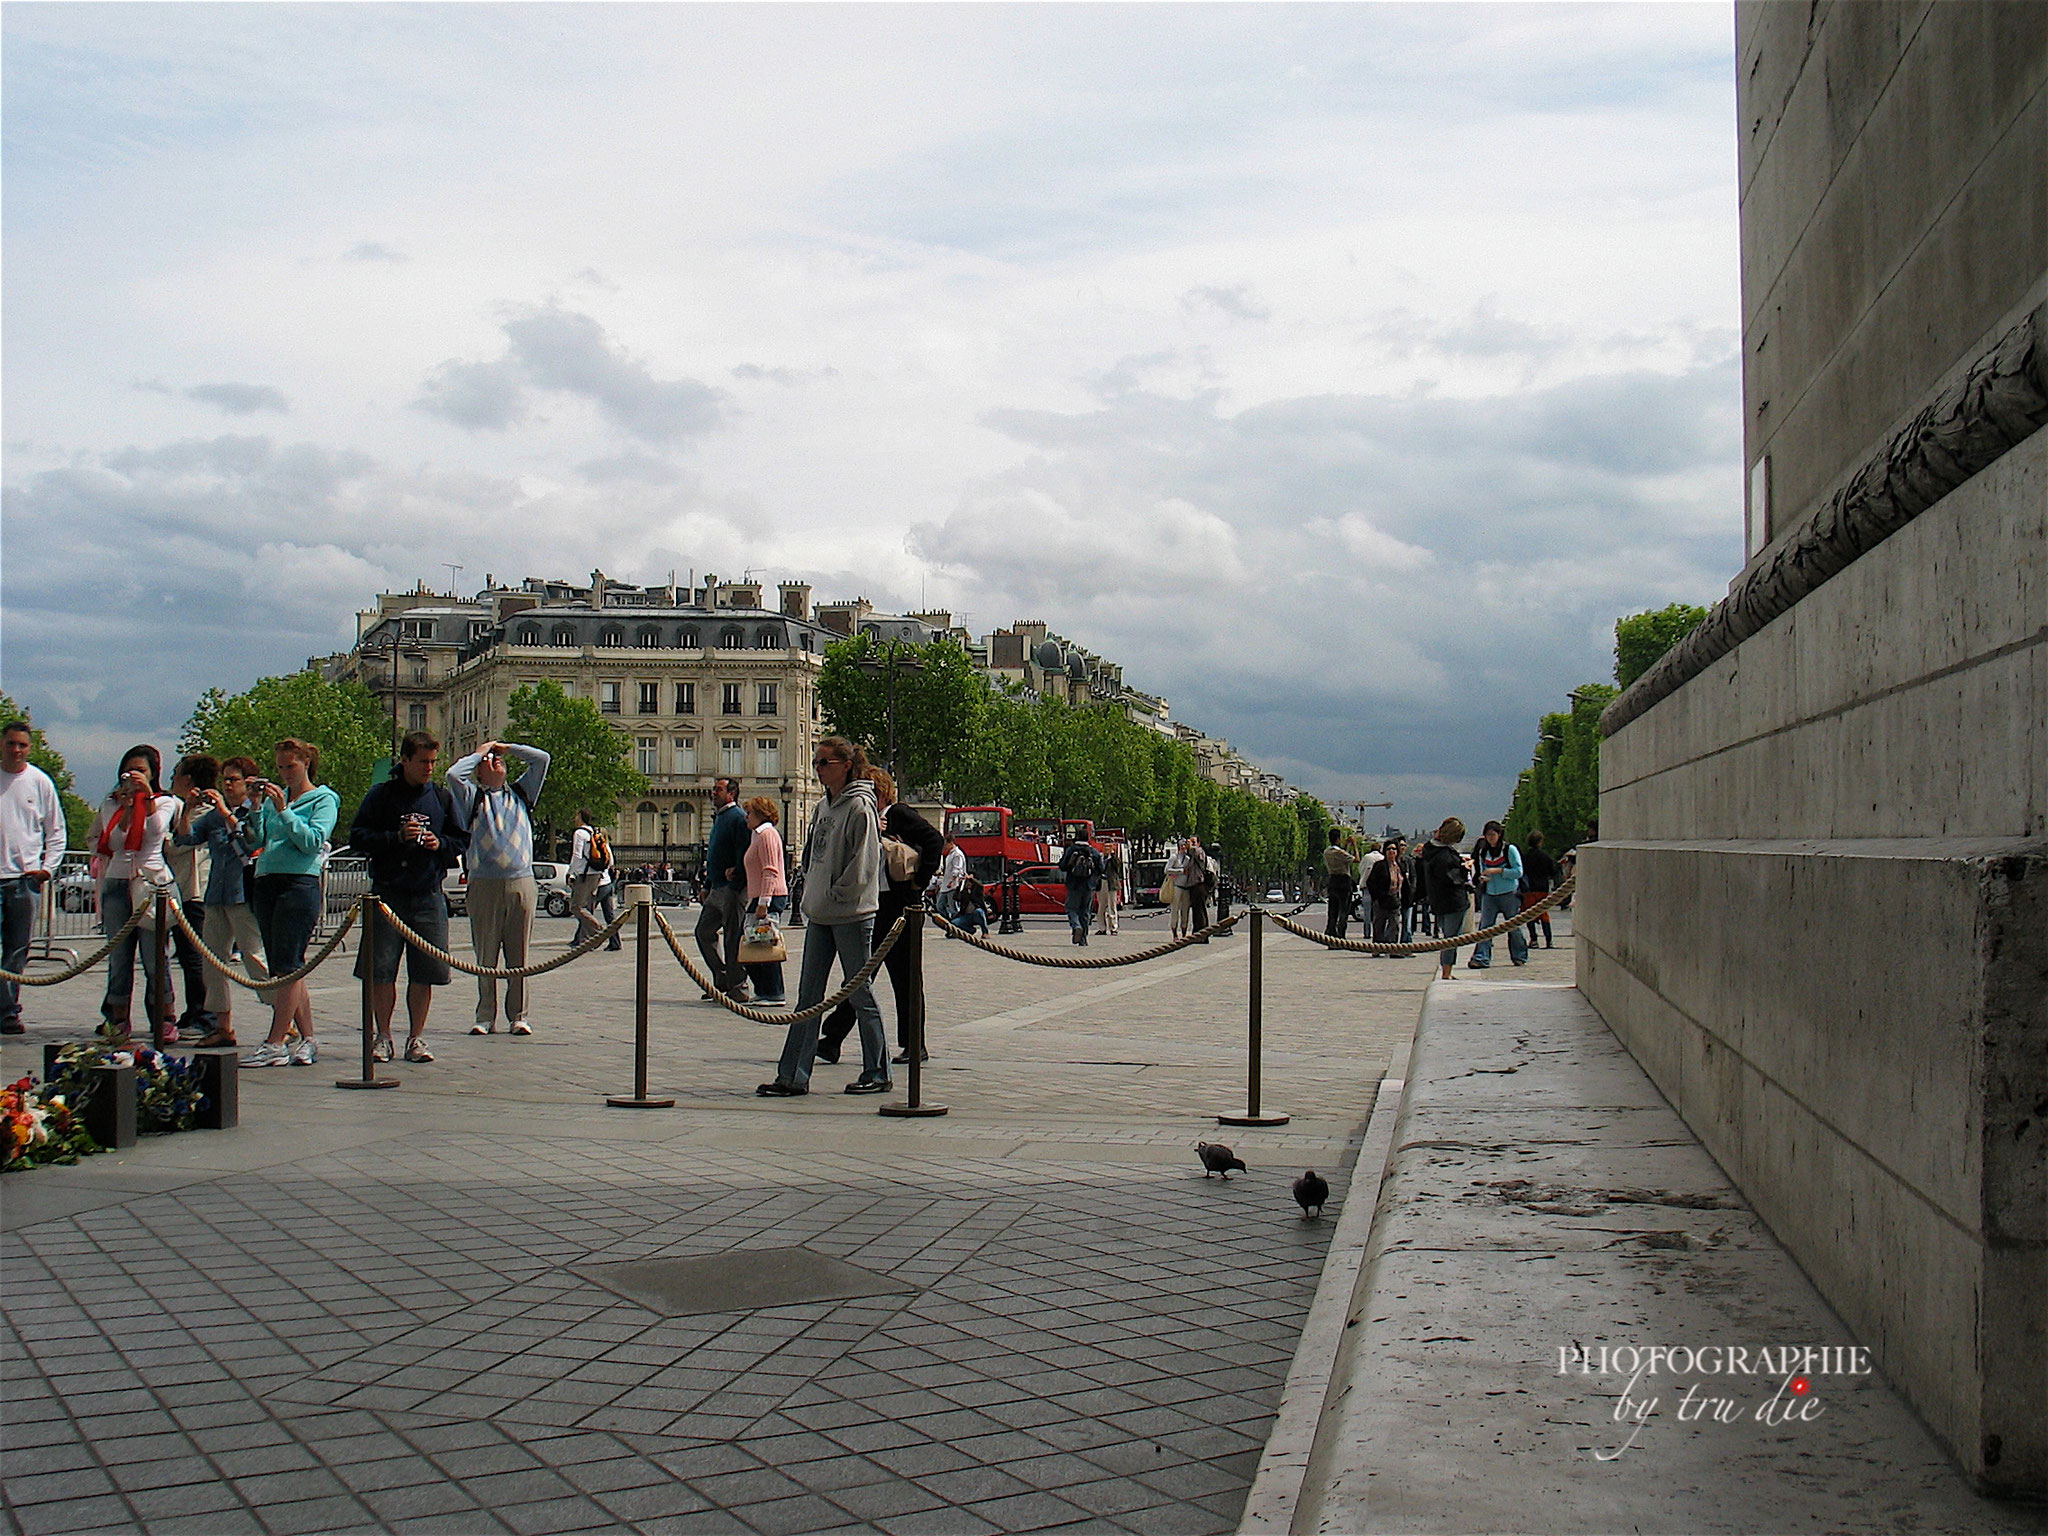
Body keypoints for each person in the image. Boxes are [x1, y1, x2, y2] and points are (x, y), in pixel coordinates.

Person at [759, 737, 890, 1098]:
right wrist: (813, 892)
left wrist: (836, 893)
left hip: (851, 913)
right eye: (816, 763)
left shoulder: (860, 808)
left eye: (824, 763)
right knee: (808, 997)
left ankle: (877, 1070)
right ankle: (793, 1076)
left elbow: (863, 865)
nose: (817, 770)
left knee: (859, 992)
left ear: (845, 766)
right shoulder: (822, 807)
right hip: (819, 913)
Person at [350, 731, 467, 1064]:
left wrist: (439, 845)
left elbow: (460, 840)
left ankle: (416, 1037)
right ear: (404, 761)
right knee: (381, 970)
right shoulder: (381, 796)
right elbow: (358, 836)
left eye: (433, 761)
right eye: (422, 762)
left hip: (428, 893)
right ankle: (383, 1036)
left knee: (426, 972)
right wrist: (395, 837)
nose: (429, 768)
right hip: (388, 892)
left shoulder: (442, 798)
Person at [818, 766, 941, 1062]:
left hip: (901, 907)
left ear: (882, 792)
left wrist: (919, 882)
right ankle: (833, 1037)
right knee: (861, 975)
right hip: (877, 905)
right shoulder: (868, 819)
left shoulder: (898, 814)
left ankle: (913, 1044)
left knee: (905, 979)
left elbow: (934, 841)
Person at [242, 740, 340, 1066]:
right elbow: (257, 840)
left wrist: (285, 810)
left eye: (291, 766)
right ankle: (308, 1037)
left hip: (298, 883)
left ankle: (276, 1040)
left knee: (288, 965)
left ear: (306, 763)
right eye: (281, 767)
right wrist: (257, 807)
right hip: (267, 879)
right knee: (286, 967)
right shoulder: (274, 801)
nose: (285, 773)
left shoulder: (323, 798)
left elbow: (312, 841)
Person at [448, 739, 551, 1036]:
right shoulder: (472, 798)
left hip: (521, 880)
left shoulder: (521, 793)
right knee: (486, 956)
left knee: (519, 955)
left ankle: (519, 1014)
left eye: (499, 760)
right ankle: (485, 1015)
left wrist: (508, 747)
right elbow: (453, 775)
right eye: (489, 762)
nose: (496, 762)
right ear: (479, 772)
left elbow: (541, 758)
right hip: (484, 883)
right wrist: (479, 753)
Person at [84, 746, 180, 1038]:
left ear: (153, 774)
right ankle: (117, 1017)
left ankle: (163, 1016)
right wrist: (126, 808)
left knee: (155, 956)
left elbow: (156, 828)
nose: (135, 776)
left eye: (142, 771)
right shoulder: (111, 802)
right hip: (117, 880)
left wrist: (146, 797)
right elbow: (113, 842)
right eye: (130, 771)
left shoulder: (167, 801)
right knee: (119, 956)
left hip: (151, 880)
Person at [174, 754, 269, 1049]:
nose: (227, 785)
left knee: (254, 958)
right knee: (212, 963)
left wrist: (227, 813)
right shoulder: (212, 816)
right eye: (224, 779)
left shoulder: (255, 810)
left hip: (243, 895)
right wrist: (189, 809)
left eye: (234, 779)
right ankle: (221, 1025)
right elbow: (185, 839)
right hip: (215, 894)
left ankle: (285, 1016)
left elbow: (252, 840)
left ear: (248, 783)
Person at [0, 720, 66, 1036]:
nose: (16, 750)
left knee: (16, 950)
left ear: (29, 748)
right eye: (11, 743)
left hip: (24, 879)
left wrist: (47, 869)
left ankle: (8, 1011)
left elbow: (56, 831)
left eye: (22, 745)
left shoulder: (40, 782)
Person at [163, 755, 220, 1042]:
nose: (171, 779)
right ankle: (194, 1011)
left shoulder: (202, 810)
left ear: (188, 780)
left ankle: (204, 1013)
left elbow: (178, 846)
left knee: (195, 955)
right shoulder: (183, 807)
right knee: (186, 956)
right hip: (181, 890)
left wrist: (160, 838)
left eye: (176, 774)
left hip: (194, 892)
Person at [696, 776, 751, 999]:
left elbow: (744, 849)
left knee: (732, 936)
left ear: (732, 794)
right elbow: (714, 856)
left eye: (718, 790)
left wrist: (737, 874)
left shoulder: (737, 818)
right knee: (703, 932)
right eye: (714, 789)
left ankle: (738, 985)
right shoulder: (719, 818)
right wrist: (707, 885)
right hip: (717, 886)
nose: (713, 793)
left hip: (731, 888)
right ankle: (722, 976)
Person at [739, 796, 788, 1005]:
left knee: (765, 943)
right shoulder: (757, 835)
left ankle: (774, 991)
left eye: (749, 813)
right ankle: (764, 989)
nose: (746, 818)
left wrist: (763, 903)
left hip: (768, 896)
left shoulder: (767, 835)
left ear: (760, 814)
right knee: (754, 941)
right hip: (758, 895)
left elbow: (770, 870)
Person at [1468, 820, 1528, 969]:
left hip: (1509, 893)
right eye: (1487, 835)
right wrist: (1483, 878)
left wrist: (1500, 871)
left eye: (1493, 834)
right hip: (1490, 893)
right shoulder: (1484, 852)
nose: (1490, 838)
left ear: (1499, 834)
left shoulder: (1510, 850)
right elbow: (1482, 869)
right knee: (1485, 927)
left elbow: (1518, 871)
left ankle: (1519, 955)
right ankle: (1481, 957)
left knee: (1513, 926)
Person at [1418, 818, 1472, 982]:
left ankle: (1446, 970)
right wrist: (1464, 868)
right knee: (1451, 938)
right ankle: (1447, 972)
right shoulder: (1445, 855)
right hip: (1453, 901)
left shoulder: (1429, 850)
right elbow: (1451, 878)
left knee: (1447, 936)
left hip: (1437, 900)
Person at [567, 809, 610, 945]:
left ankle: (597, 931)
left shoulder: (579, 833)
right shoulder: (593, 832)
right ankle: (589, 937)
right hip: (596, 873)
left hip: (585, 874)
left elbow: (577, 855)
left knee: (576, 906)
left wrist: (570, 872)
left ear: (580, 817)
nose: (575, 818)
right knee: (587, 905)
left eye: (576, 815)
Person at [1059, 835, 1103, 946]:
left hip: (1074, 885)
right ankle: (1083, 938)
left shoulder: (1071, 850)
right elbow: (1101, 868)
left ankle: (1076, 926)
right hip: (1089, 886)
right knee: (1085, 912)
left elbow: (1062, 866)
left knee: (1071, 908)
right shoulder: (1094, 851)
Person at [1521, 831, 1560, 950]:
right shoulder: (1545, 856)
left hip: (1528, 888)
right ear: (1540, 842)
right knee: (1543, 914)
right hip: (1542, 888)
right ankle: (1549, 940)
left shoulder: (1525, 856)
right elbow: (1553, 871)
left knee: (1530, 914)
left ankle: (1534, 939)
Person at [1365, 835, 1404, 948]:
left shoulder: (1400, 866)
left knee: (1394, 925)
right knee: (1379, 925)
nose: (1391, 851)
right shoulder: (1379, 865)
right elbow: (1370, 882)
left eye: (1394, 849)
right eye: (1389, 849)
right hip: (1382, 901)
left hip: (1395, 900)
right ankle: (1377, 948)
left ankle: (1392, 948)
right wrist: (1377, 897)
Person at [1322, 829, 1360, 939]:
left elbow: (1343, 857)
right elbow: (1356, 859)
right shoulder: (1339, 852)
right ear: (1338, 839)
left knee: (1332, 910)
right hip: (1343, 881)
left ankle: (1330, 933)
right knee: (1344, 910)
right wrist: (1354, 845)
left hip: (1332, 880)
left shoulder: (1327, 852)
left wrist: (1346, 846)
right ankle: (1341, 934)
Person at [1164, 838, 1195, 938]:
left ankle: (1184, 932)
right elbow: (1167, 870)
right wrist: (1180, 871)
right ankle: (1174, 933)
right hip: (1177, 886)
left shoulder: (1188, 859)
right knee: (1175, 910)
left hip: (1186, 887)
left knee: (1185, 911)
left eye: (1184, 845)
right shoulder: (1174, 857)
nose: (1183, 847)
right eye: (1181, 845)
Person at [936, 837, 967, 927]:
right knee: (940, 906)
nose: (945, 846)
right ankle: (949, 923)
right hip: (946, 885)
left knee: (953, 908)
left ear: (951, 843)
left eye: (946, 844)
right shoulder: (950, 854)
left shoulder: (957, 854)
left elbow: (957, 869)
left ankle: (956, 925)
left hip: (953, 885)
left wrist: (952, 881)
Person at [1095, 841, 1123, 936]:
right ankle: (1102, 928)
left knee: (1112, 906)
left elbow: (1118, 867)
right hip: (1101, 882)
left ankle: (1113, 927)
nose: (1106, 849)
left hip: (1111, 883)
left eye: (1109, 847)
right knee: (1101, 906)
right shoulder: (1100, 857)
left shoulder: (1114, 859)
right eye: (1105, 847)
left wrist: (1112, 855)